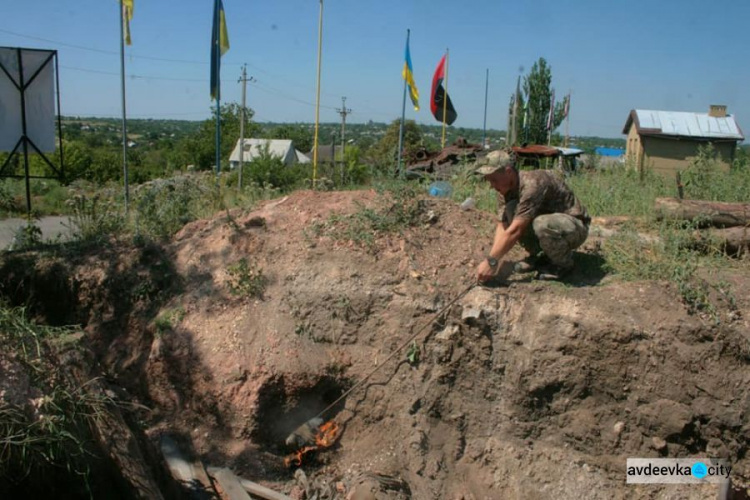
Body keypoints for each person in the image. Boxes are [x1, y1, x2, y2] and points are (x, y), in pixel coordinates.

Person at [474, 149, 590, 282]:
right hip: (550, 224)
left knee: (541, 223)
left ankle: (563, 264)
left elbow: (516, 230)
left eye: (494, 180)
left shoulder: (533, 183)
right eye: (489, 181)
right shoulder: (504, 190)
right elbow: (503, 226)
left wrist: (491, 262)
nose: (492, 186)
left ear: (508, 172)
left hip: (574, 227)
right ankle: (540, 256)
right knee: (511, 209)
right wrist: (492, 260)